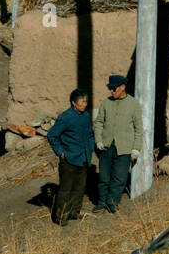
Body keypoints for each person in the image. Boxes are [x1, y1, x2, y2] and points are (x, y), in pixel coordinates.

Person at [92, 74, 142, 213]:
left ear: (122, 87)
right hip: (107, 146)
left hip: (124, 147)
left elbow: (138, 129)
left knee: (119, 177)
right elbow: (99, 123)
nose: (112, 91)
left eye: (114, 89)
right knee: (103, 176)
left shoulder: (133, 104)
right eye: (110, 89)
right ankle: (101, 202)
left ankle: (113, 201)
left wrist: (136, 148)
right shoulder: (106, 103)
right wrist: (99, 140)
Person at [46, 88, 96, 226]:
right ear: (74, 103)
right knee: (66, 189)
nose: (85, 104)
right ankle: (61, 217)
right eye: (82, 102)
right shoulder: (66, 117)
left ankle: (74, 213)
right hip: (69, 159)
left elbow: (90, 134)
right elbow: (52, 135)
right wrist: (61, 151)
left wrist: (90, 147)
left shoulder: (85, 116)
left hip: (83, 158)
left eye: (86, 101)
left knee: (79, 188)